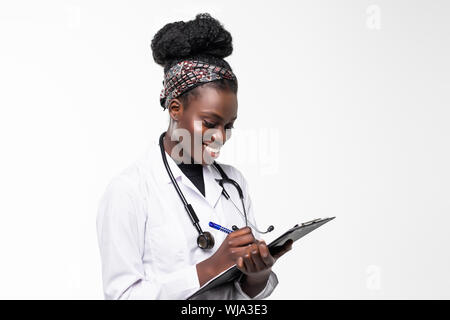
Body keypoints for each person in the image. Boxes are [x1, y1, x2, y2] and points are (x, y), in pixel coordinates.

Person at [96, 13, 292, 300]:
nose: (221, 136)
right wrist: (211, 267)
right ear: (175, 108)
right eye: (210, 123)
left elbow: (244, 293)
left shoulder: (233, 182)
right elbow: (121, 296)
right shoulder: (129, 191)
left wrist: (257, 274)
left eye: (229, 126)